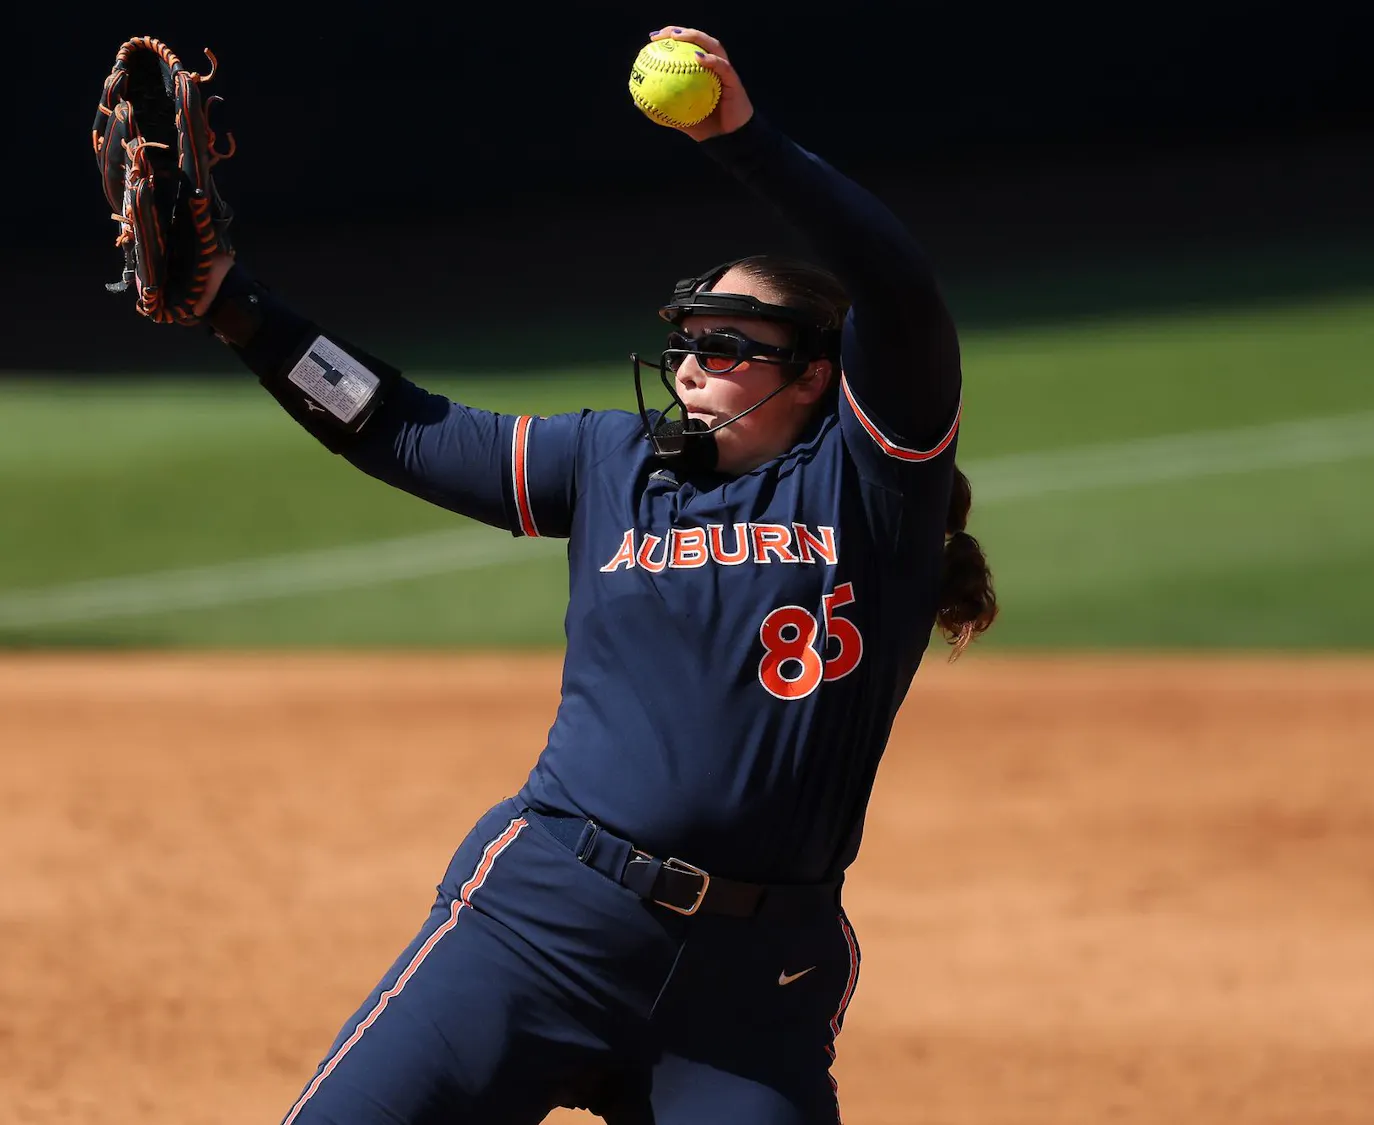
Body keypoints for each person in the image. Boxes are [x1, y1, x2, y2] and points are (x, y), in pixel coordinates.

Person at [185, 25, 997, 1125]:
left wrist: (741, 137)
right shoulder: (614, 465)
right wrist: (238, 307)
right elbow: (397, 425)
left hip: (752, 994)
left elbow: (898, 290)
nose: (692, 363)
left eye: (728, 342)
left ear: (816, 373)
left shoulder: (872, 489)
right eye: (686, 341)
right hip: (543, 921)